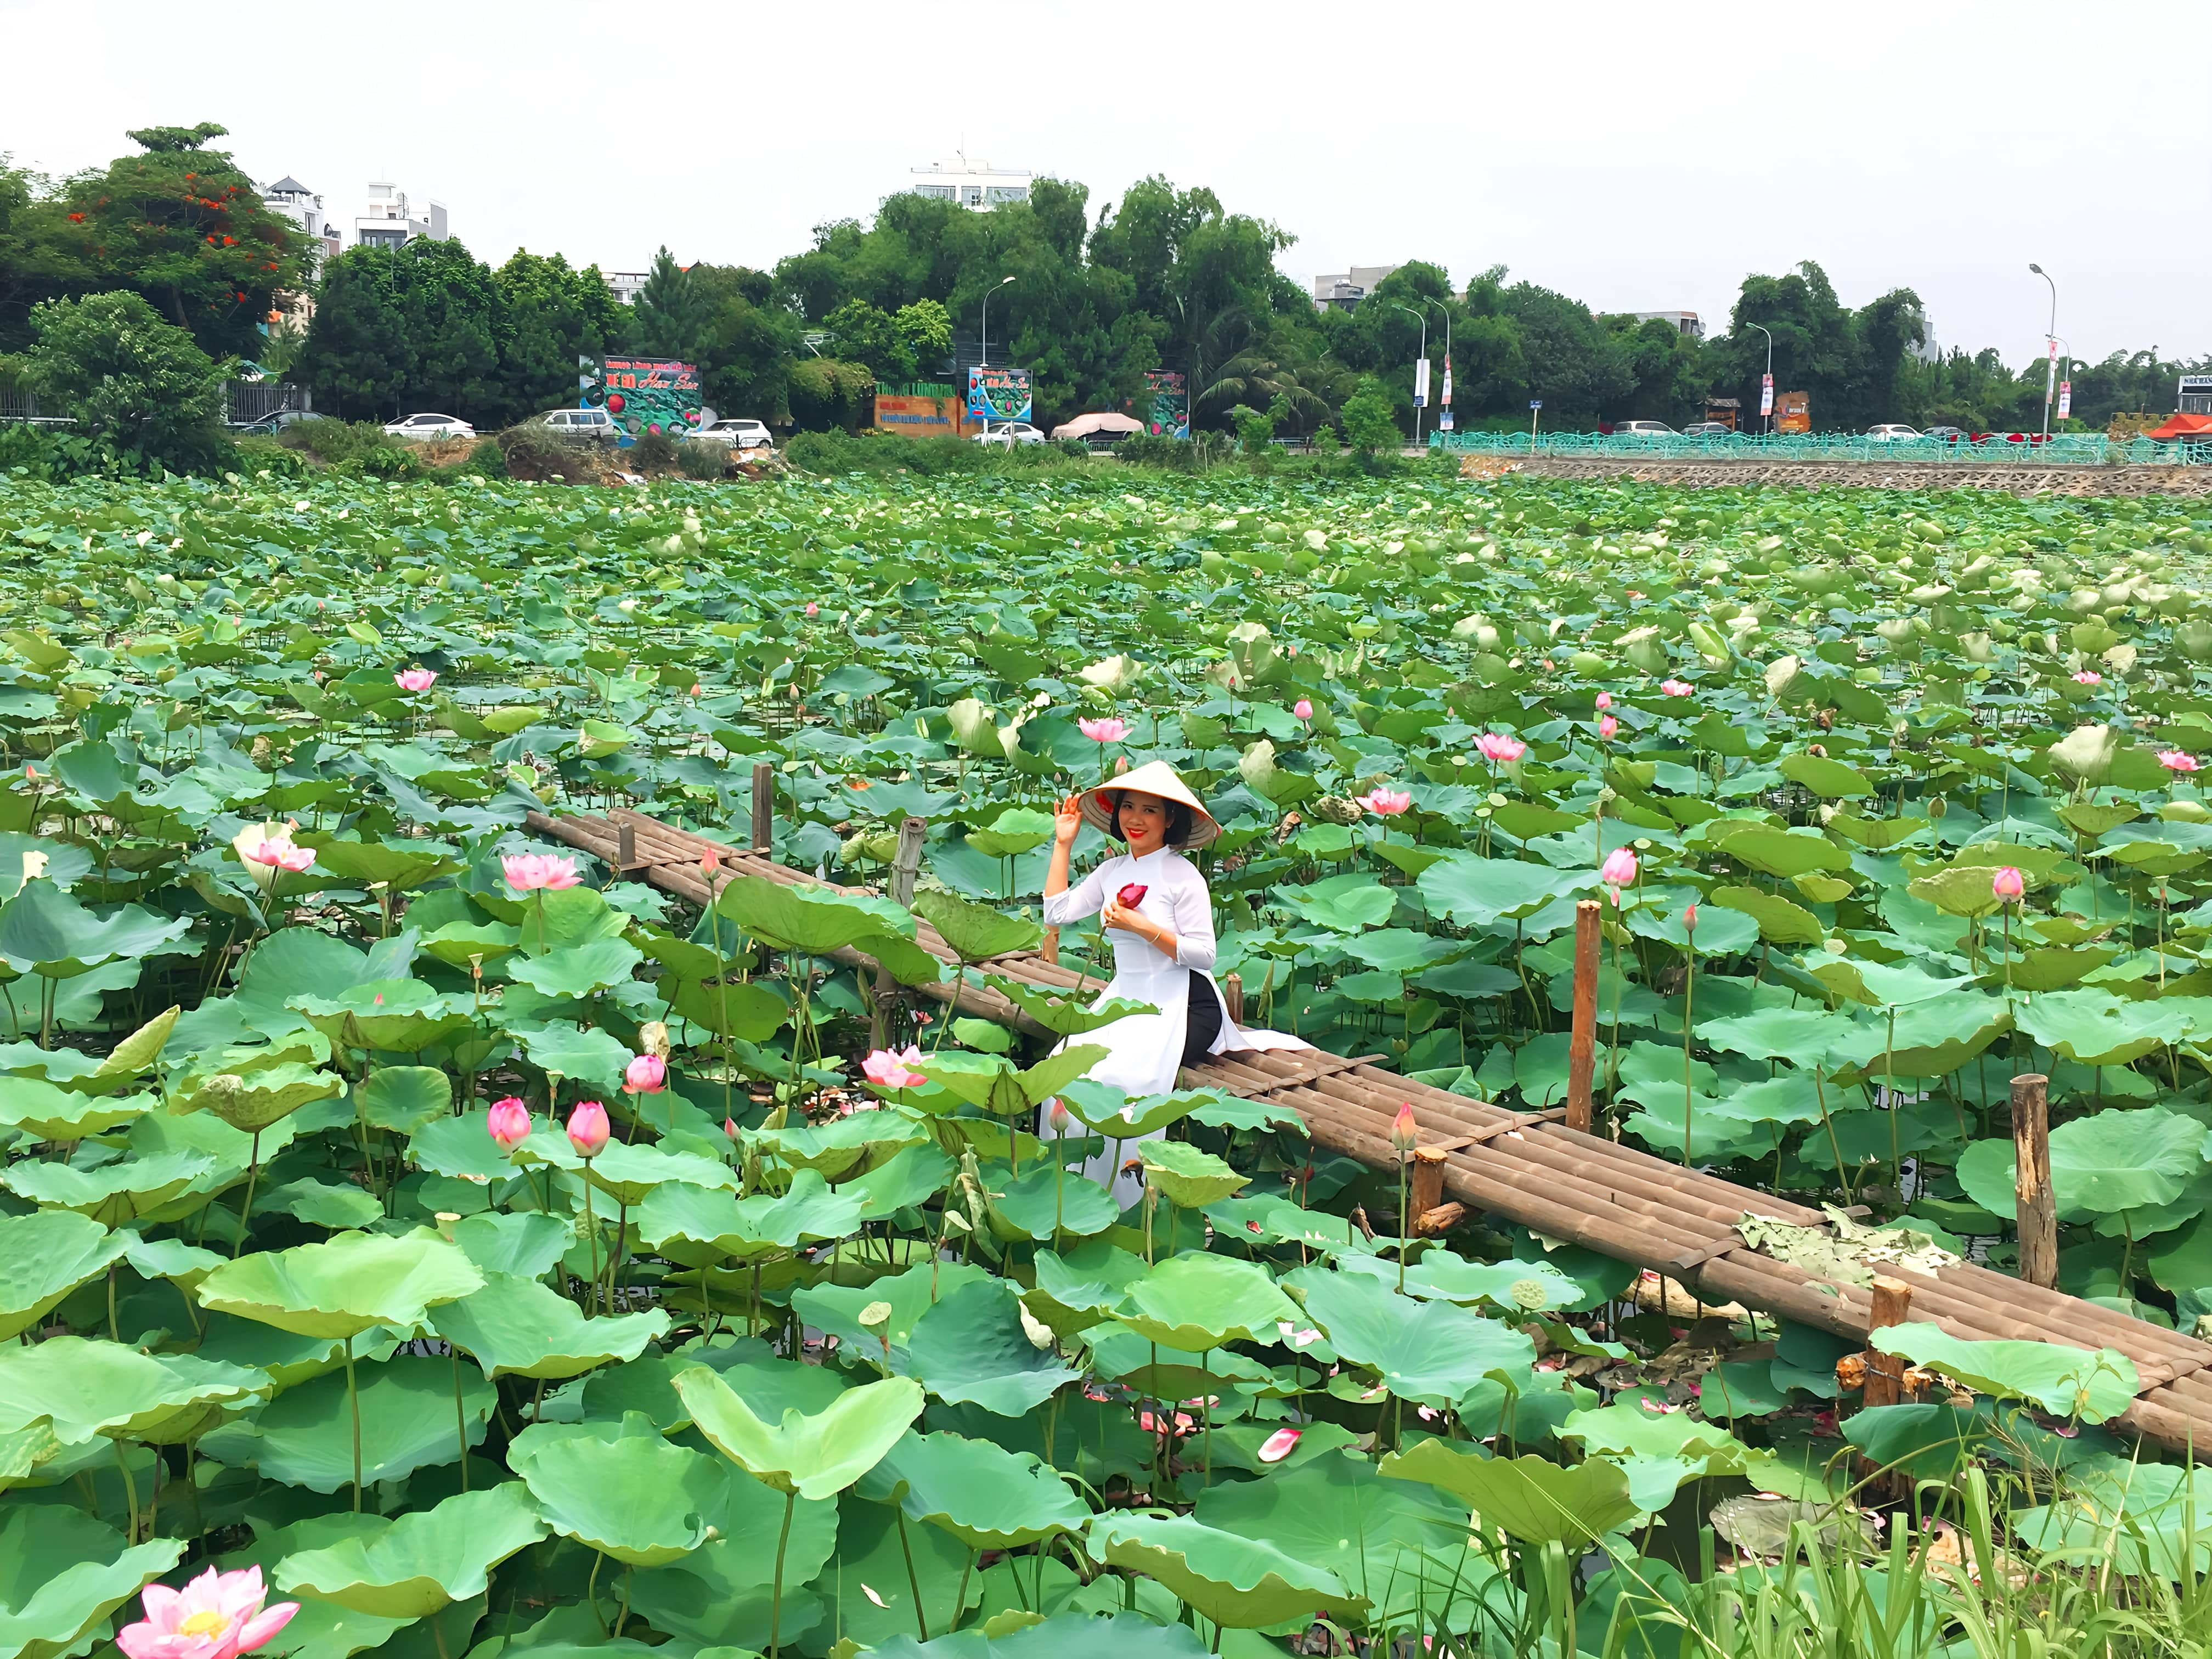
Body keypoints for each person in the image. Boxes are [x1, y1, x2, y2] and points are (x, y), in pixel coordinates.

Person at [1041, 760, 1306, 1201]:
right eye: (1129, 807)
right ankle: (1070, 1194)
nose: (1136, 819)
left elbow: (1204, 954)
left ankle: (1129, 1197)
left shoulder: (1184, 877)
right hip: (1125, 999)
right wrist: (1063, 843)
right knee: (1062, 1066)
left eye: (1150, 810)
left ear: (1170, 820)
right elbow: (1056, 912)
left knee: (1126, 1077)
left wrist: (1143, 927)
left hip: (1185, 1003)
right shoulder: (1112, 871)